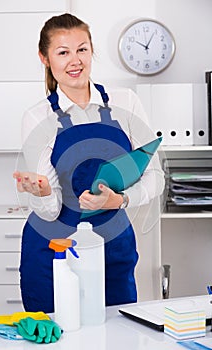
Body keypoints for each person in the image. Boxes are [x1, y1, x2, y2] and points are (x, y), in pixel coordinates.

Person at [13, 13, 165, 313]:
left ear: (91, 50)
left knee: (118, 335)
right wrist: (42, 192)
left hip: (113, 243)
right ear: (44, 57)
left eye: (82, 49)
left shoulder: (126, 102)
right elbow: (52, 209)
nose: (75, 60)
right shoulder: (37, 117)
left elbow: (155, 177)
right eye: (63, 52)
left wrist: (119, 199)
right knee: (57, 336)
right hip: (54, 250)